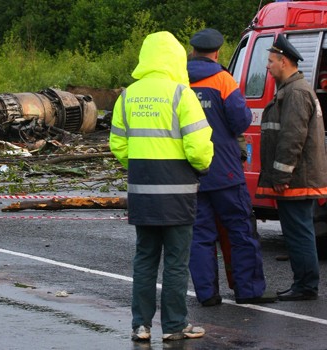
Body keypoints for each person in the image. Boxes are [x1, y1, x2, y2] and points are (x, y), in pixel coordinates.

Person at [109, 31, 214, 342]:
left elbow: (118, 143)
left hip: (142, 193)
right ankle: (175, 325)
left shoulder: (128, 95)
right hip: (178, 194)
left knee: (144, 259)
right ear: (176, 58)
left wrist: (140, 166)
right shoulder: (182, 94)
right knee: (176, 262)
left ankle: (140, 326)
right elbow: (198, 147)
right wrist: (202, 167)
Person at [187, 28, 276, 306]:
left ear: (192, 52)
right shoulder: (223, 79)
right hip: (225, 170)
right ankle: (247, 291)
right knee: (240, 231)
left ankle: (207, 295)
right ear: (217, 52)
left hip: (191, 173)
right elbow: (241, 120)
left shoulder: (178, 81)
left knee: (200, 236)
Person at [256, 34, 327, 301]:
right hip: (298, 177)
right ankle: (304, 284)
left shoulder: (296, 93)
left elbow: (292, 138)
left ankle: (306, 286)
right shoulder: (294, 90)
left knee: (299, 233)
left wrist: (281, 174)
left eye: (271, 61)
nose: (268, 66)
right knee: (299, 231)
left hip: (296, 179)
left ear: (284, 61)